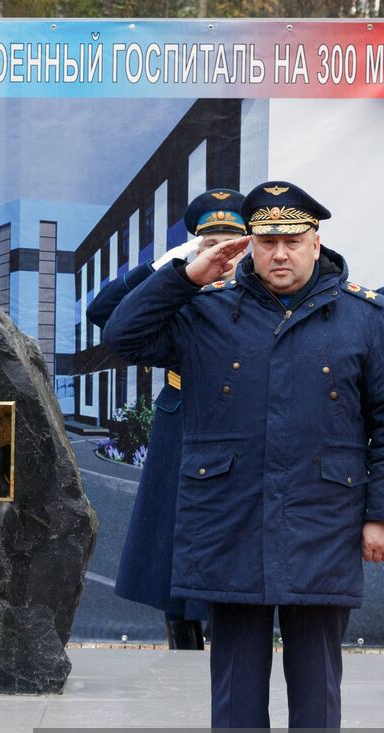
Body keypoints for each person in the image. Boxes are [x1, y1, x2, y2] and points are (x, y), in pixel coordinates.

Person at [104, 181, 384, 733]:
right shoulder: (205, 311)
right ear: (250, 244)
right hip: (231, 518)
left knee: (317, 687)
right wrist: (187, 274)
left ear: (316, 242)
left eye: (292, 240)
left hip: (324, 520)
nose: (280, 253)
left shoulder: (363, 317)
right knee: (236, 687)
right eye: (267, 240)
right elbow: (121, 334)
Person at [86, 188, 247, 650]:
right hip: (182, 420)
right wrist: (166, 265)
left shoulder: (259, 293)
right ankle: (184, 648)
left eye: (231, 243)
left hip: (238, 421)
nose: (222, 253)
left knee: (231, 538)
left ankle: (230, 646)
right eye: (211, 242)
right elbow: (102, 313)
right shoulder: (177, 290)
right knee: (173, 537)